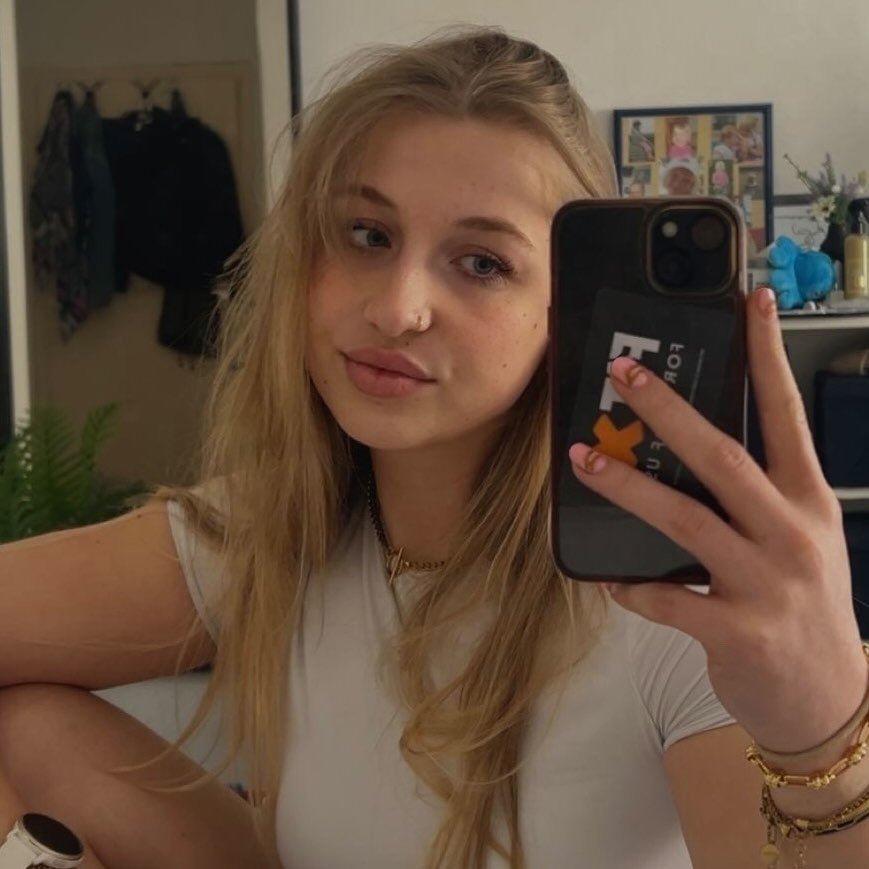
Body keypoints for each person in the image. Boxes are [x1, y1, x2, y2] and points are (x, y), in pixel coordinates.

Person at [1, 26, 867, 869]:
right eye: (367, 235)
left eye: (482, 263)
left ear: (564, 309)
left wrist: (822, 740)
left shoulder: (665, 606)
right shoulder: (269, 531)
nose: (396, 308)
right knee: (27, 730)